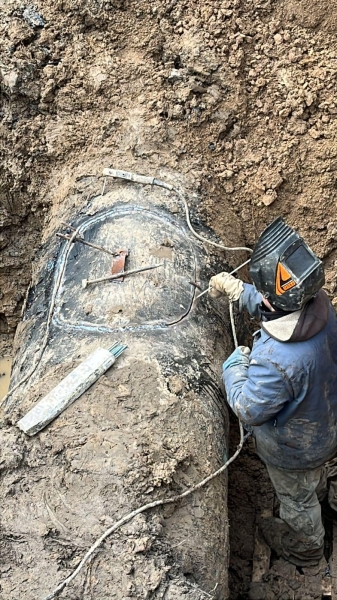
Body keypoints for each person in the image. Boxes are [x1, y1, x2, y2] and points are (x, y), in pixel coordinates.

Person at [209, 216, 337, 567]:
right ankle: (329, 497)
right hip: (328, 424)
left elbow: (248, 409)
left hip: (294, 449)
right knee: (321, 472)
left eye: (259, 291)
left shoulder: (276, 360)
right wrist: (241, 292)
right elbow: (280, 307)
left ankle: (308, 550)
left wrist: (234, 367)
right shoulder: (321, 306)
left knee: (297, 499)